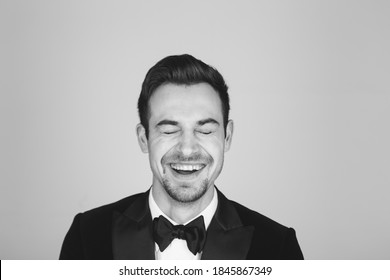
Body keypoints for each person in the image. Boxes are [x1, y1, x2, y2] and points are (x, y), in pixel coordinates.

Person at [59, 54, 304, 260]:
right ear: (143, 138)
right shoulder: (86, 236)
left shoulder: (278, 248)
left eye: (205, 130)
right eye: (169, 130)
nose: (187, 149)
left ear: (227, 137)